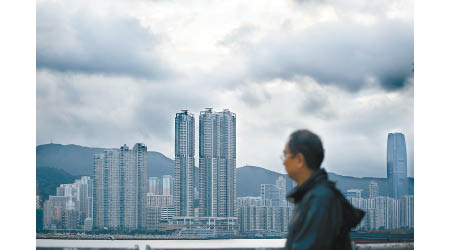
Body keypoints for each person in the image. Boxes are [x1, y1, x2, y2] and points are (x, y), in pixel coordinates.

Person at [282, 129, 364, 250]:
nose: (283, 162)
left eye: (285, 155)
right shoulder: (308, 196)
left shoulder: (320, 199)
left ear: (299, 160)